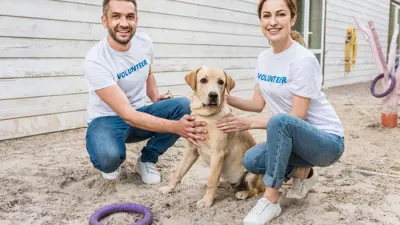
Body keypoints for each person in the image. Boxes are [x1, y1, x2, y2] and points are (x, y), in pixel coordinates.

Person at [217, 0, 345, 224]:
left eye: (280, 15)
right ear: (261, 21)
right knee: (252, 160)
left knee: (280, 122)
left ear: (292, 19)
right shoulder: (263, 58)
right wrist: (222, 98)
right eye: (266, 16)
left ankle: (271, 199)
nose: (273, 22)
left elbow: (296, 117)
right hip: (292, 136)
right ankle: (305, 174)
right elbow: (257, 103)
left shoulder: (303, 60)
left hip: (327, 142)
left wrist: (249, 124)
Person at [83, 0, 206, 185]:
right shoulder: (96, 61)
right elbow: (128, 115)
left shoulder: (144, 42)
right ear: (104, 20)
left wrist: (154, 96)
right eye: (116, 16)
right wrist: (176, 127)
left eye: (129, 17)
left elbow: (147, 72)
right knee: (108, 159)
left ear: (136, 20)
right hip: (106, 120)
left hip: (139, 113)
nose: (124, 23)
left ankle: (147, 160)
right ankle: (113, 160)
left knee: (183, 106)